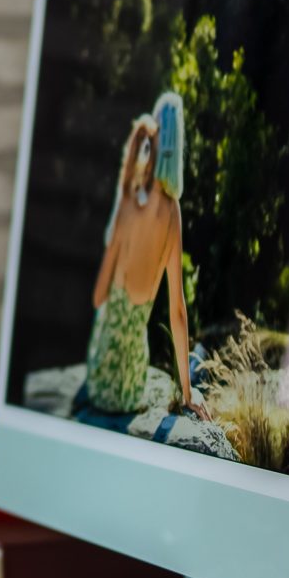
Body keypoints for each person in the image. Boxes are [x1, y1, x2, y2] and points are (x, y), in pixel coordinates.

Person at [84, 91, 198, 418]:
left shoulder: (132, 200)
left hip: (102, 381)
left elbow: (97, 298)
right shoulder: (173, 214)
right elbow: (177, 311)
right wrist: (187, 393)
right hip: (133, 384)